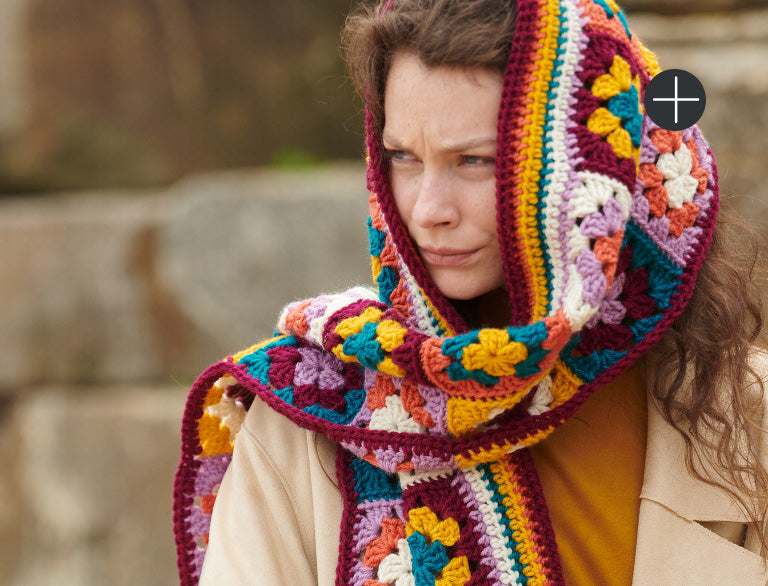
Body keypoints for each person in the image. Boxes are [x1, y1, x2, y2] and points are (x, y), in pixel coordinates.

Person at [173, 0, 768, 584]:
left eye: (476, 161)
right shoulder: (306, 421)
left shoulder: (748, 416)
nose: (428, 210)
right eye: (402, 156)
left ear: (593, 172)